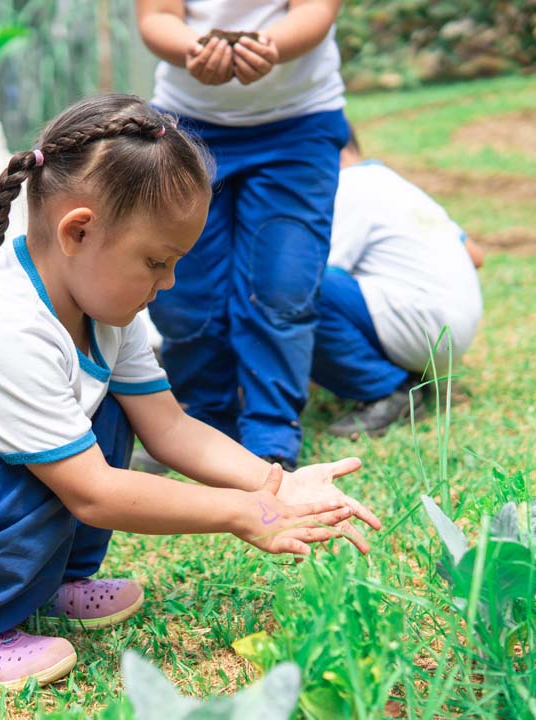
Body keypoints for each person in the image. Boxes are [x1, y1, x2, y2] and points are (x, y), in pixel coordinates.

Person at [0, 95, 381, 692]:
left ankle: (41, 584)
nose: (169, 282)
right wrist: (241, 514)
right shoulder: (2, 329)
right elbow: (94, 495)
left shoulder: (104, 310)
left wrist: (272, 484)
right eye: (155, 260)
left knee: (110, 415)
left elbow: (170, 428)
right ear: (79, 231)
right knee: (46, 463)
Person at [135, 0, 349, 471]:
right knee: (183, 291)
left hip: (298, 126)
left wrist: (270, 47)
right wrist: (195, 49)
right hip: (186, 126)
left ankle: (270, 439)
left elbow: (316, 11)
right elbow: (156, 18)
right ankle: (201, 427)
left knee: (281, 287)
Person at [312, 129, 485, 438]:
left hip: (419, 329)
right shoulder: (395, 184)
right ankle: (403, 372)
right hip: (452, 334)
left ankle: (385, 390)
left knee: (297, 285)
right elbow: (475, 254)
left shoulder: (346, 187)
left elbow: (316, 278)